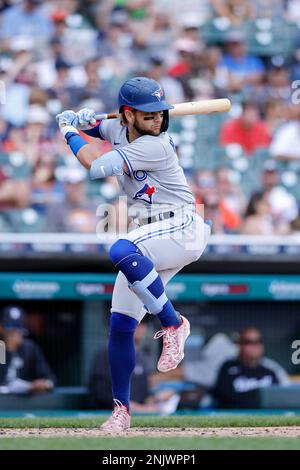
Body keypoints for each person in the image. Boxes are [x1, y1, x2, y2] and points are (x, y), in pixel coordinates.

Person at [56, 76, 211, 431]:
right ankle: (122, 411)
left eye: (160, 112)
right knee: (122, 325)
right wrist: (87, 121)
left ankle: (173, 323)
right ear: (128, 113)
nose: (158, 119)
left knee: (122, 247)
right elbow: (104, 128)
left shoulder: (156, 145)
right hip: (156, 235)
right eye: (149, 113)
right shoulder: (120, 127)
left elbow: (95, 167)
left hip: (184, 225)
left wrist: (68, 131)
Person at [213, 327, 289, 409]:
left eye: (258, 341)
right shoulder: (228, 367)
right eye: (248, 342)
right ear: (239, 344)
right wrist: (257, 397)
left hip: (265, 416)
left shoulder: (270, 370)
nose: (254, 346)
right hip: (235, 416)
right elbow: (223, 396)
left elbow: (278, 399)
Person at [0, 306, 55, 394]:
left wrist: (44, 384)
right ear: (1, 328)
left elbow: (50, 379)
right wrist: (9, 350)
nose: (14, 331)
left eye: (18, 327)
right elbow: (2, 380)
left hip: (23, 403)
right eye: (9, 326)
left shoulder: (30, 348)